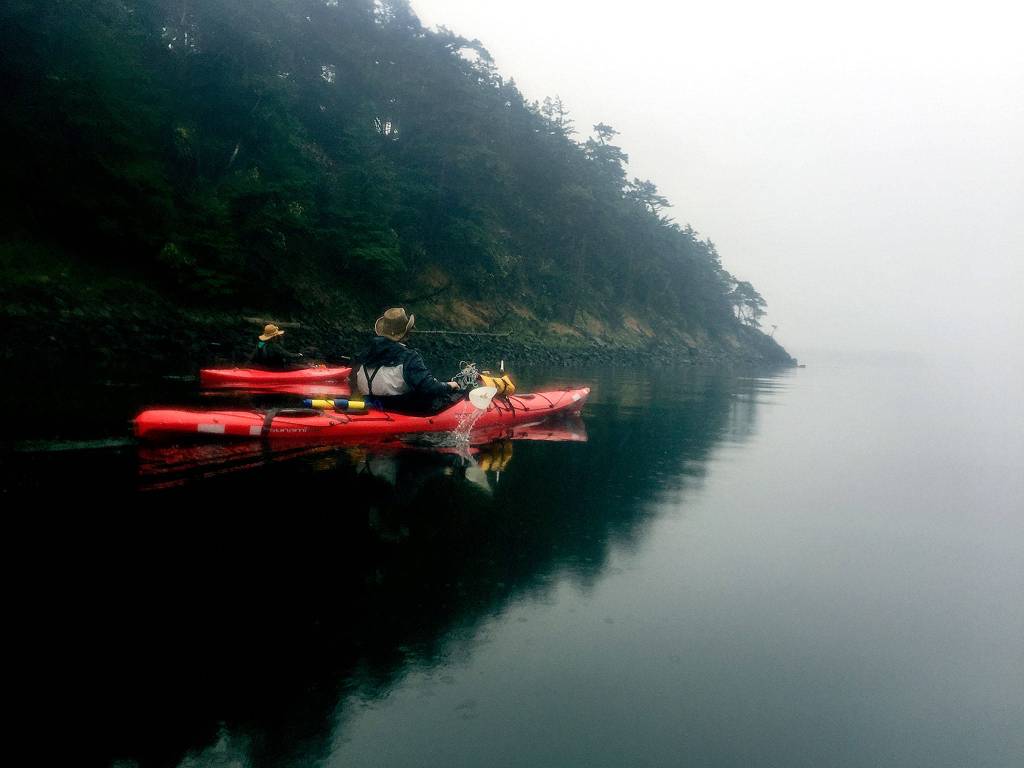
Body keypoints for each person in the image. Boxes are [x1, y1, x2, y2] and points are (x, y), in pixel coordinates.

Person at [349, 307, 459, 413]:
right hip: (399, 410)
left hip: (370, 404)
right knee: (448, 394)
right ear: (406, 334)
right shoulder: (409, 357)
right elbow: (429, 388)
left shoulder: (364, 353)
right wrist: (450, 385)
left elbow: (353, 379)